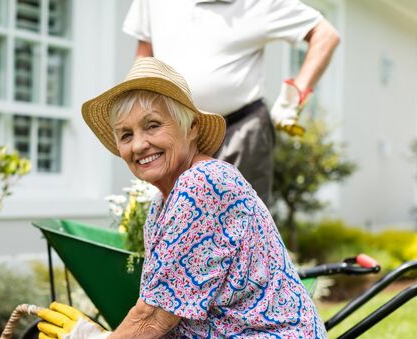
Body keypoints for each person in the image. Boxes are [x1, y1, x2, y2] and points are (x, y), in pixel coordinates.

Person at [36, 57, 326, 338]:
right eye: (125, 135)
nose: (138, 145)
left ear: (192, 127)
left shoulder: (203, 183)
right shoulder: (162, 206)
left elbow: (156, 317)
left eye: (152, 125)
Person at [122, 0, 340, 205]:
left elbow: (325, 35)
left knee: (243, 224)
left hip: (240, 132)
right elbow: (145, 53)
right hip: (175, 133)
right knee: (175, 219)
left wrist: (293, 98)